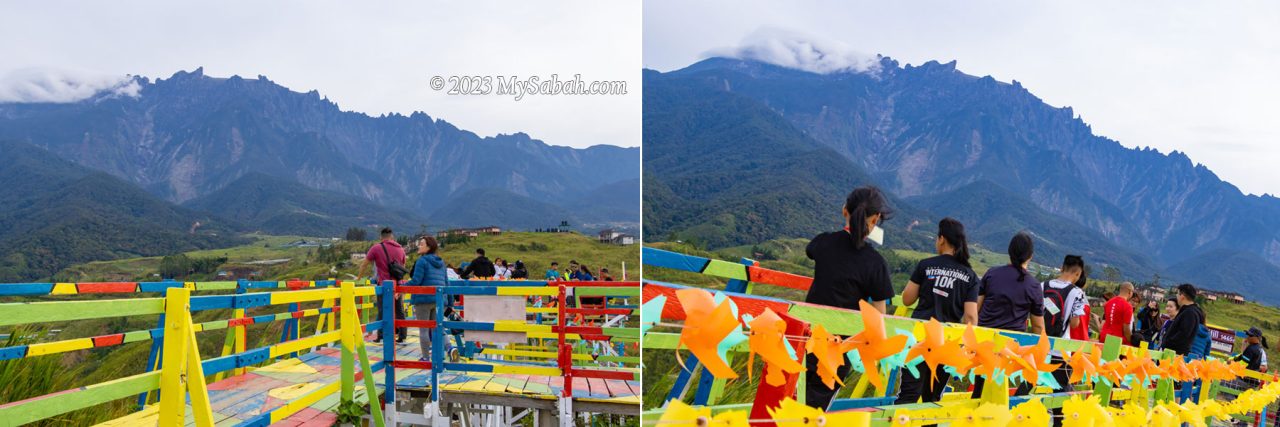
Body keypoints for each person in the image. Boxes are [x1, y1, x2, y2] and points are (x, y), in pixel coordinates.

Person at [802, 186, 895, 410]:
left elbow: (811, 251)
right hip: (840, 346)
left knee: (790, 398)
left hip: (805, 335)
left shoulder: (822, 242)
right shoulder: (875, 263)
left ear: (845, 210)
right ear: (875, 219)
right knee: (816, 408)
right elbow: (879, 315)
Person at [896, 218, 979, 406]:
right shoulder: (970, 275)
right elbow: (971, 316)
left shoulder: (925, 265)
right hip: (947, 344)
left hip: (919, 339)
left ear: (941, 239)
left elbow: (907, 299)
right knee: (932, 399)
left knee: (908, 395)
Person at [972, 231, 1044, 398]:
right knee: (1000, 393)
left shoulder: (991, 274)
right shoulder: (1033, 285)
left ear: (1009, 252)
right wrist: (1038, 352)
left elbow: (975, 309)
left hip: (985, 342)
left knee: (979, 390)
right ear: (1030, 256)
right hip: (1011, 349)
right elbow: (1038, 326)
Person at [359, 227, 407, 343]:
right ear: (392, 237)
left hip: (384, 285)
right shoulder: (400, 249)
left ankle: (380, 335)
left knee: (382, 310)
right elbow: (403, 267)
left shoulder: (376, 248)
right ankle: (402, 335)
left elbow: (365, 264)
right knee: (399, 310)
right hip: (398, 284)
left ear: (381, 237)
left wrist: (359, 277)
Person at [404, 236, 446, 360]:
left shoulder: (422, 261)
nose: (419, 246)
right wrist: (448, 301)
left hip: (423, 299)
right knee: (437, 329)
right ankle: (440, 354)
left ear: (428, 247)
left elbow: (416, 281)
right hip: (438, 299)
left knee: (423, 330)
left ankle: (425, 357)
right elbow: (446, 282)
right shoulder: (441, 262)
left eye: (421, 244)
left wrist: (401, 288)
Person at [1161, 284, 1206, 356]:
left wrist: (1168, 342)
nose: (1177, 296)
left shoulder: (1190, 313)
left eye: (1177, 294)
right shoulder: (1187, 311)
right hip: (1173, 352)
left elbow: (1183, 334)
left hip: (1175, 354)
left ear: (1182, 296)